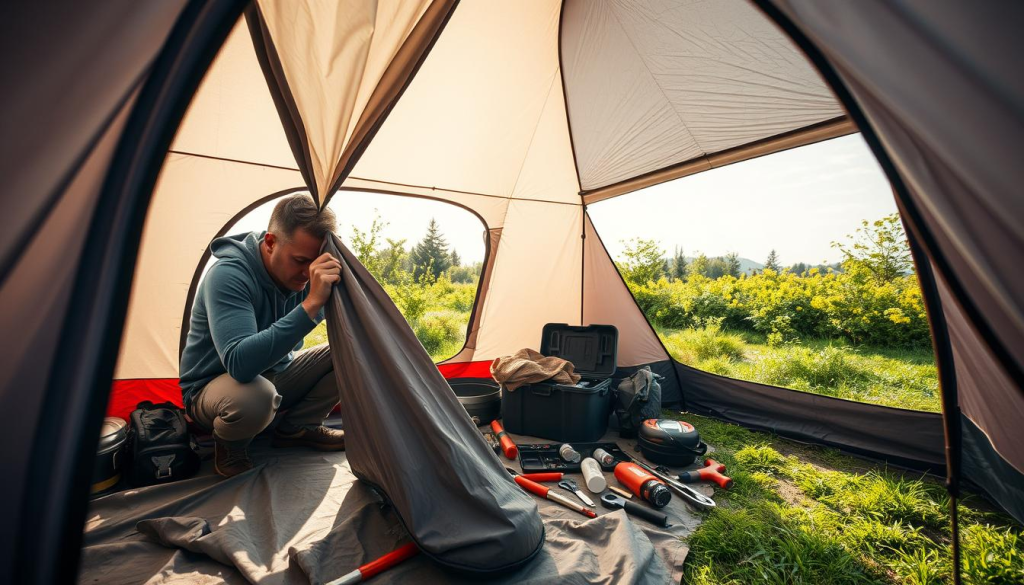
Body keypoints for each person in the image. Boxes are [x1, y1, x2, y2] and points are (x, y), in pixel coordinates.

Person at [179, 194, 346, 477]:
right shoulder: (229, 275)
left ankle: (298, 428)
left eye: (315, 261)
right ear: (270, 242)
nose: (308, 274)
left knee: (350, 352)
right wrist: (311, 305)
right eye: (300, 260)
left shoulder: (306, 272)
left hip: (277, 373)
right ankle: (231, 444)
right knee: (256, 396)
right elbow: (241, 364)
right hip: (215, 391)